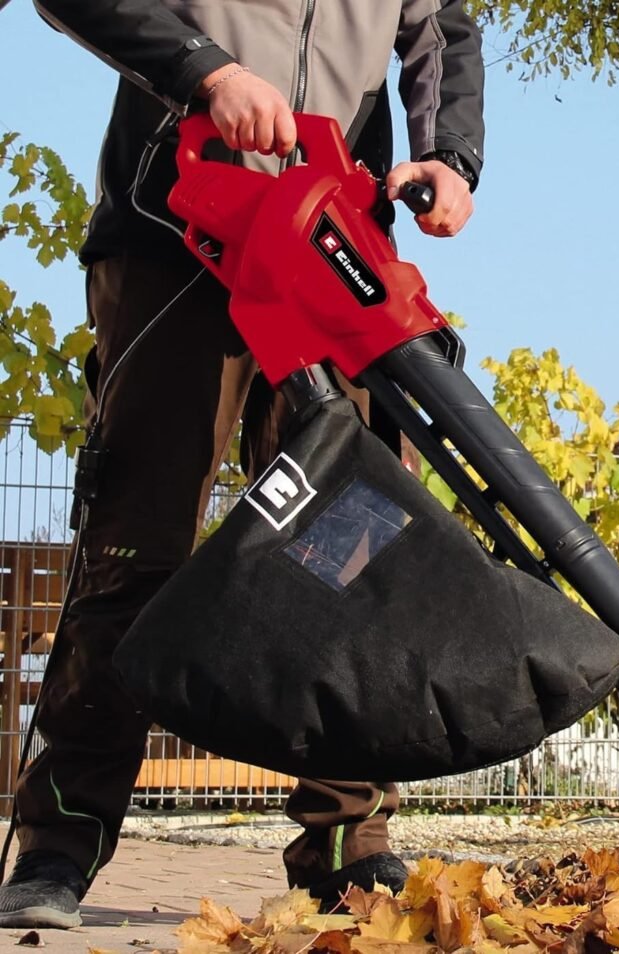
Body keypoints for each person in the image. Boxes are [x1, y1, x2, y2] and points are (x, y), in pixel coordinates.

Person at [0, 0, 484, 930]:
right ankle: (58, 846)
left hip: (333, 238)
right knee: (136, 544)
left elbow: (443, 30)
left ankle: (347, 845)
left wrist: (448, 155)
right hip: (178, 230)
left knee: (356, 551)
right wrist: (207, 73)